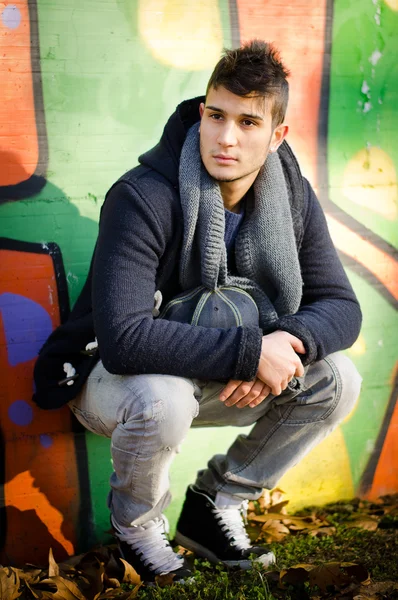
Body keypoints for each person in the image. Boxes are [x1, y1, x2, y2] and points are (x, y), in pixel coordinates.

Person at [33, 40, 362, 583]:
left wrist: (285, 345)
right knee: (161, 397)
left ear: (278, 135)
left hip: (206, 377)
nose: (225, 138)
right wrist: (251, 352)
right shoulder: (144, 195)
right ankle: (135, 531)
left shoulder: (292, 196)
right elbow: (124, 339)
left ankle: (217, 505)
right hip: (108, 379)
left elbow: (341, 306)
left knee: (336, 380)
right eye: (216, 116)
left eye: (248, 122)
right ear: (203, 112)